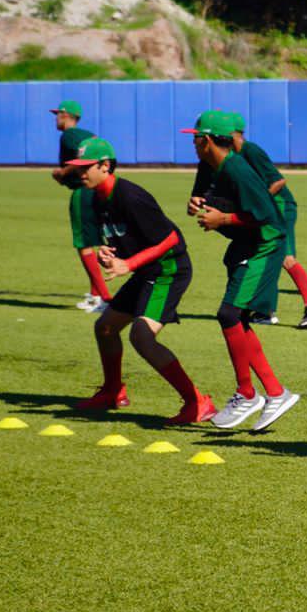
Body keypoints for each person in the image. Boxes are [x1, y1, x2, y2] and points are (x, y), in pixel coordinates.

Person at [66, 138, 216, 424]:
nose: (80, 173)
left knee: (142, 336)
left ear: (106, 166)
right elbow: (123, 238)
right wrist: (109, 253)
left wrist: (128, 264)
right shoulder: (96, 197)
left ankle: (198, 402)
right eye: (78, 167)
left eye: (86, 167)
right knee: (106, 328)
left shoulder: (130, 196)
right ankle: (112, 392)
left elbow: (170, 239)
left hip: (168, 270)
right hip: (147, 270)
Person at [181, 111, 300, 431]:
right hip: (246, 247)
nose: (192, 144)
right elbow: (221, 202)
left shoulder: (236, 168)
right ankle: (274, 392)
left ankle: (249, 394)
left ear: (206, 140)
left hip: (263, 246)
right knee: (235, 317)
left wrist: (222, 220)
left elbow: (264, 215)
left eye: (194, 138)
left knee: (229, 314)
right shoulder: (217, 167)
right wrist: (202, 205)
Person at [191, 115, 307, 329]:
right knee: (263, 258)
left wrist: (254, 200)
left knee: (285, 257)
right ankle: (266, 311)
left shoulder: (248, 151)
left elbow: (278, 180)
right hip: (255, 212)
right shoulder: (215, 161)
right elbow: (204, 192)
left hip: (279, 206)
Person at [50, 100, 112, 313]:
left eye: (57, 114)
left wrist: (62, 173)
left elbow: (87, 156)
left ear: (65, 115)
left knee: (84, 244)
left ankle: (105, 297)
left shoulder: (70, 134)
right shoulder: (84, 134)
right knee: (95, 241)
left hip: (84, 190)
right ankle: (96, 296)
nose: (56, 118)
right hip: (97, 189)